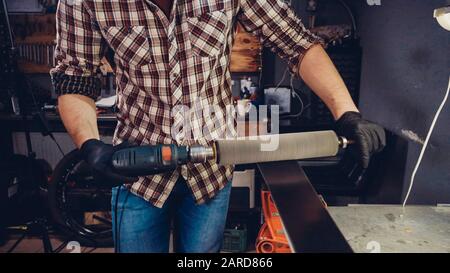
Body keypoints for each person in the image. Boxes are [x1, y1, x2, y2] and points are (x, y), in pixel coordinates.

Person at [51, 0, 385, 253]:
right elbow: (75, 82)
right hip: (138, 173)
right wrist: (91, 145)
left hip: (210, 173)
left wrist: (347, 114)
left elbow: (296, 43)